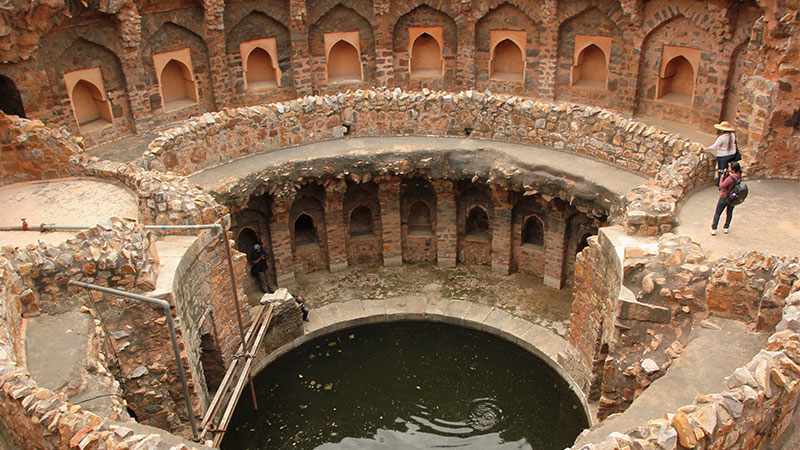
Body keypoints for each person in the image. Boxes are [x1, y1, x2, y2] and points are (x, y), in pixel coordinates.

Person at [711, 161, 742, 236]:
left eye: (730, 167)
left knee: (718, 212)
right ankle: (726, 227)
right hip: (733, 197)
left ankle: (714, 228)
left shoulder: (730, 178)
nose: (729, 169)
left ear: (733, 170)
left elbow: (721, 186)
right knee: (729, 212)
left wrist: (722, 177)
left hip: (725, 197)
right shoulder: (739, 176)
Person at [708, 120, 738, 186]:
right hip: (732, 154)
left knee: (721, 170)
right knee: (727, 169)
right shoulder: (733, 135)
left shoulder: (722, 138)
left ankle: (720, 183)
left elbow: (714, 146)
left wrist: (706, 148)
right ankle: (728, 179)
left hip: (723, 156)